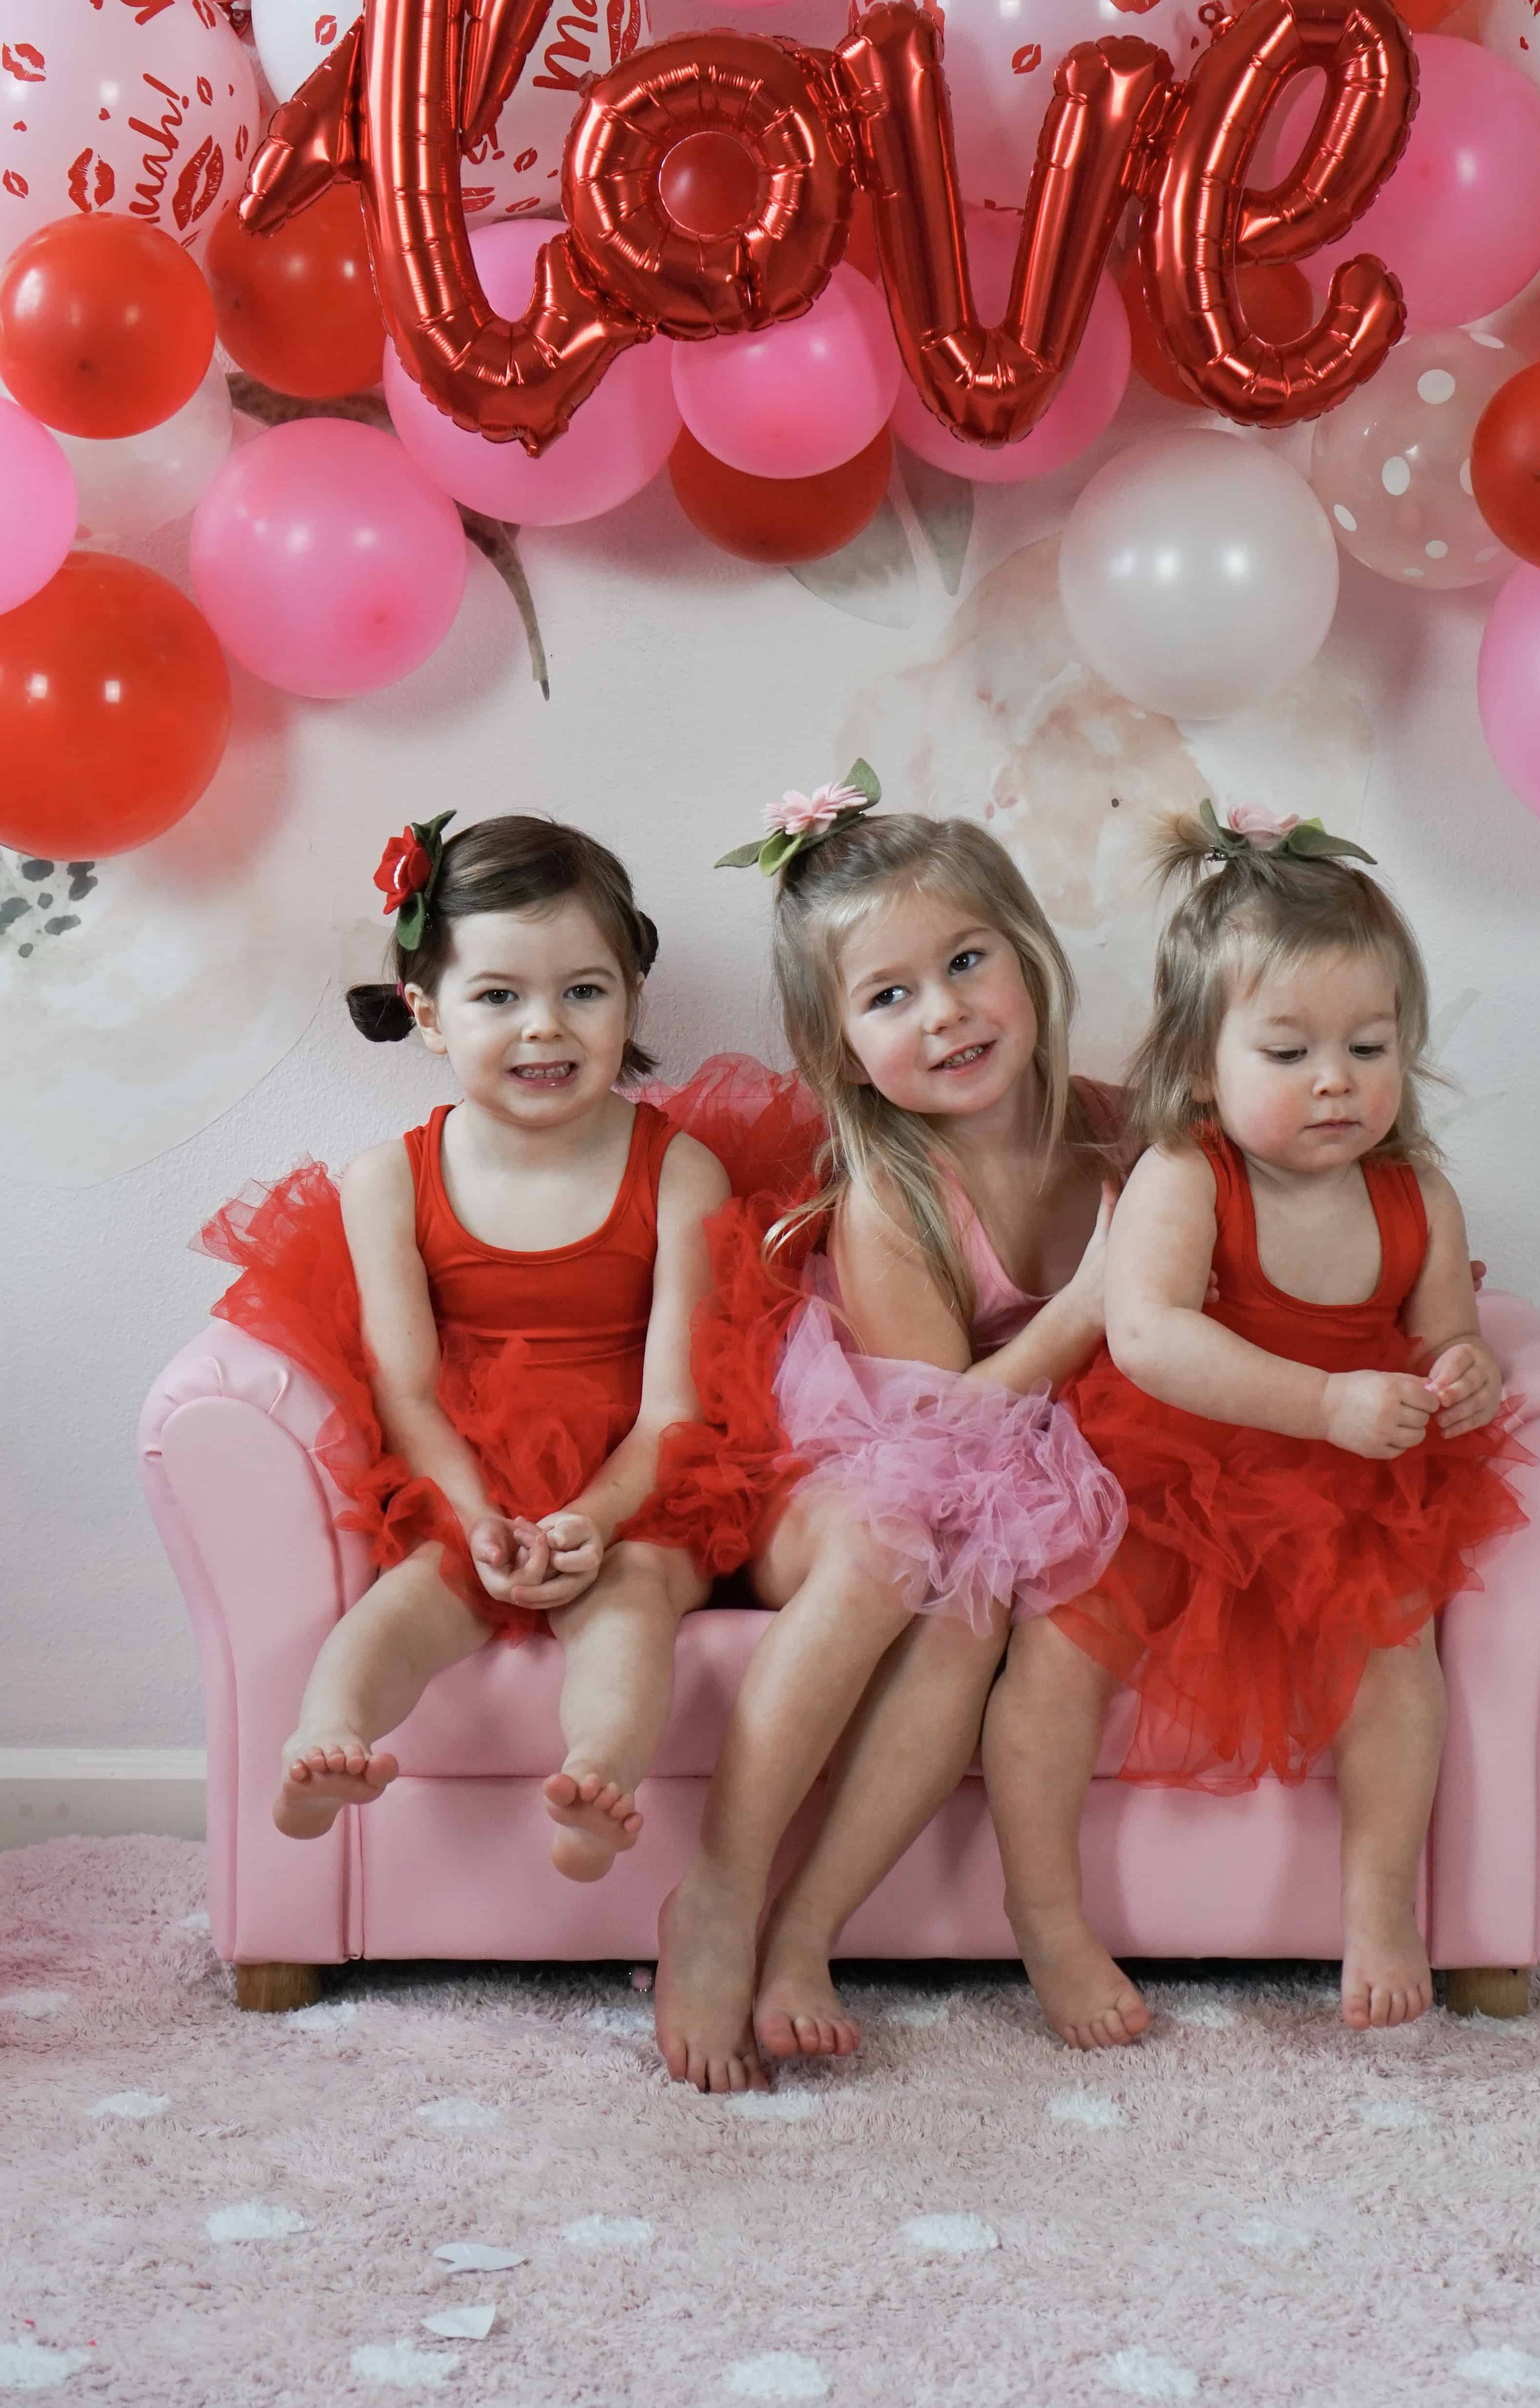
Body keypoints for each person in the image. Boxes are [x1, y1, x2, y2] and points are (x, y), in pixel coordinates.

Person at [988, 805, 1529, 2041]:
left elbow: (1449, 1323)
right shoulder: (1188, 1173)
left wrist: (1463, 1371)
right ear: (1201, 1063)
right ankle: (1047, 1914)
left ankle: (1381, 1902)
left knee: (1400, 1662)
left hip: (1344, 1481)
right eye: (1287, 1050)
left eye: (1369, 1043)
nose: (1336, 1078)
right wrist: (1324, 1400)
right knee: (1056, 1660)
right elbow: (1149, 1335)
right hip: (1170, 1459)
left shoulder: (1416, 1190)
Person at [643, 768, 1124, 2089]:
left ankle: (809, 1928)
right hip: (826, 1476)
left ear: (1028, 955)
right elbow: (946, 1432)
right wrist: (1089, 1301)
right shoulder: (889, 1191)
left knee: (969, 1606)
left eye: (968, 962)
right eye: (890, 995)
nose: (948, 1013)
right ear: (838, 1047)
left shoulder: (1111, 1137)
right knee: (894, 1543)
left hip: (1002, 1483)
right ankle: (722, 1898)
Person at [199, 812, 726, 1886]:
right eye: (500, 996)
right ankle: (330, 1736)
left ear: (630, 1000)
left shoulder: (681, 1172)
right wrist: (478, 1514)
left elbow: (678, 1404)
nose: (546, 1027)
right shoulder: (388, 1180)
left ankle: (598, 1773)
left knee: (631, 1602)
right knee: (408, 1600)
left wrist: (592, 1517)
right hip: (468, 1464)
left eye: (584, 989)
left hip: (636, 1477)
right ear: (428, 1014)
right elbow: (404, 1388)